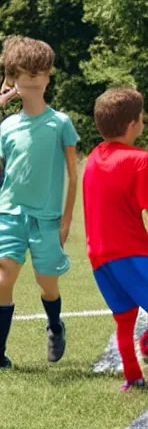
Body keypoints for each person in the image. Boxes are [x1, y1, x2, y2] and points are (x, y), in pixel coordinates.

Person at [83, 87, 148, 391]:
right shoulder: (139, 159)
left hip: (98, 255)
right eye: (142, 118)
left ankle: (133, 379)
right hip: (131, 250)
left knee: (124, 317)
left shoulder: (93, 158)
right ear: (133, 124)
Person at [0, 36, 79, 368]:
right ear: (12, 78)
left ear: (48, 77)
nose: (33, 79)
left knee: (47, 284)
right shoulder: (6, 127)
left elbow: (73, 176)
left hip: (46, 219)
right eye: (24, 73)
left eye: (40, 73)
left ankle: (55, 324)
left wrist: (65, 221)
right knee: (3, 280)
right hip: (9, 217)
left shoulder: (60, 123)